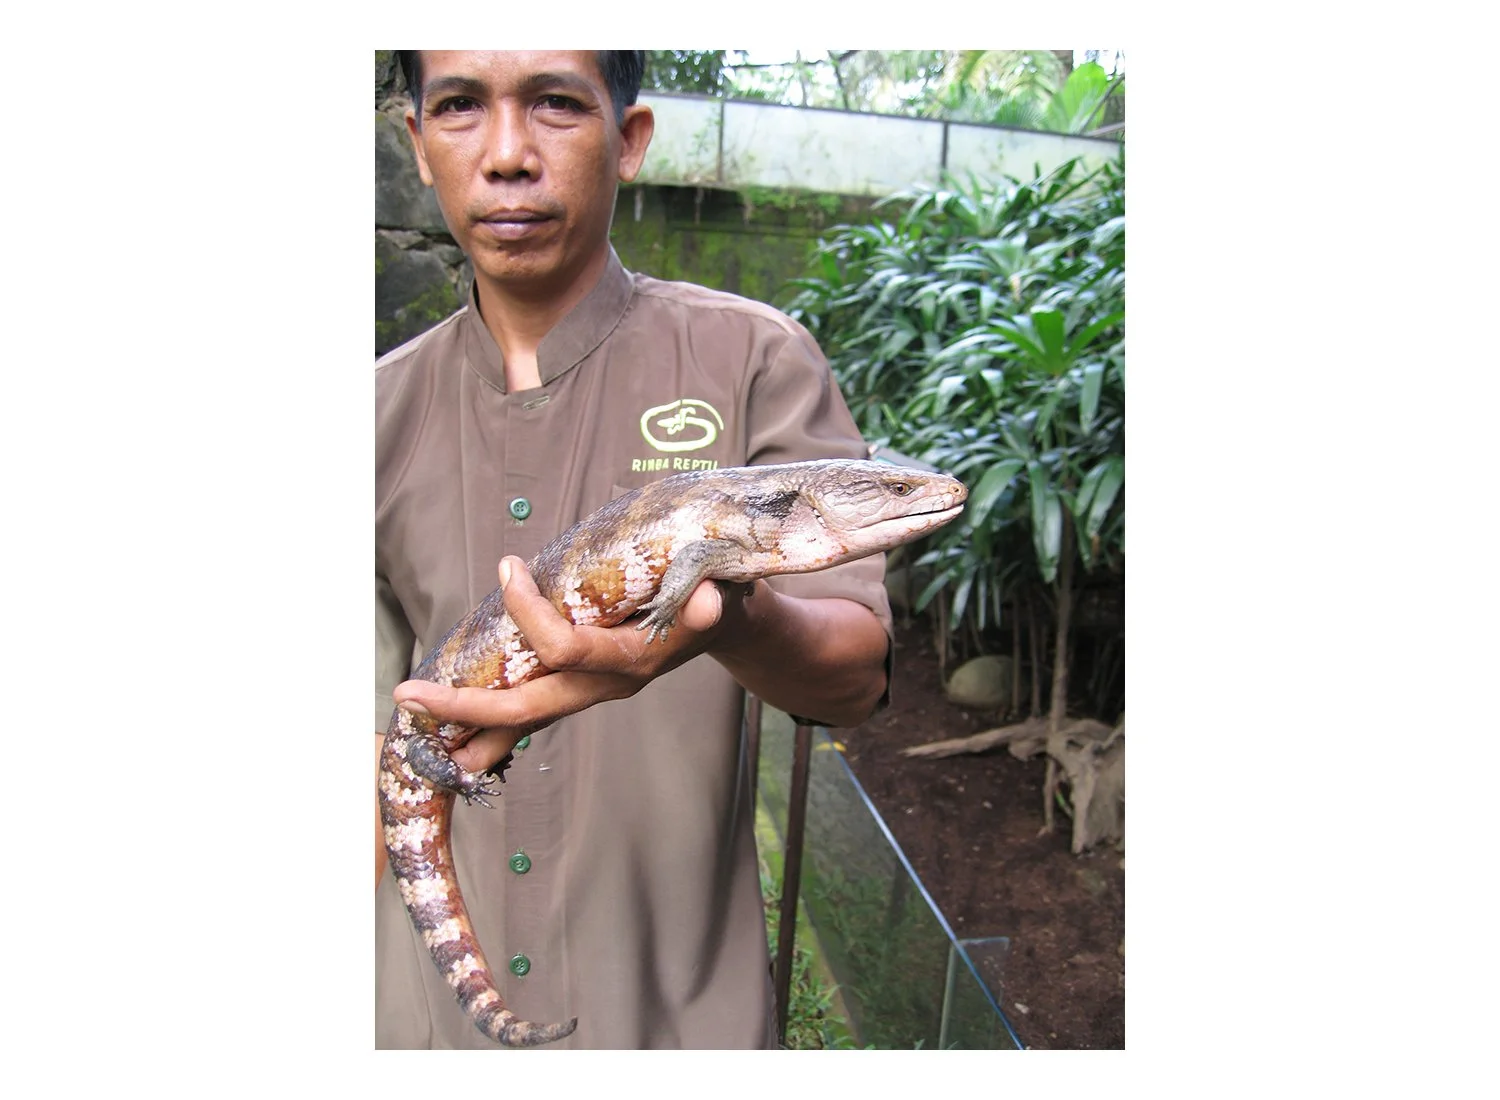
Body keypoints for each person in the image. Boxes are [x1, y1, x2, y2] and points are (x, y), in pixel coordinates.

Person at [375, 50, 894, 1049]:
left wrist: (722, 616)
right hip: (424, 1024)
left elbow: (856, 674)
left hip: (675, 1015)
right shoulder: (373, 411)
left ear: (629, 137)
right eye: (460, 107)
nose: (507, 155)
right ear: (418, 144)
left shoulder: (755, 358)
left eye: (556, 103)